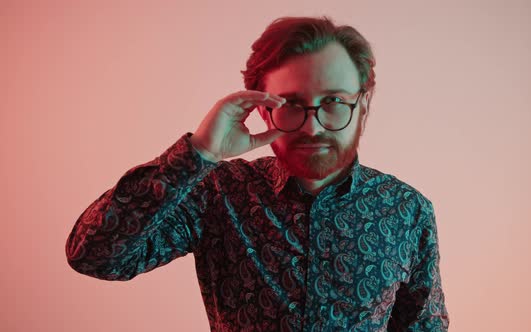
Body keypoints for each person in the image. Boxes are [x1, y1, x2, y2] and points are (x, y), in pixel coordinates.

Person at [66, 15, 449, 331]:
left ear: (363, 103)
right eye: (291, 104)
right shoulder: (219, 192)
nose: (313, 127)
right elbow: (94, 256)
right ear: (262, 110)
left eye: (333, 101)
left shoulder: (408, 211)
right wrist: (200, 152)